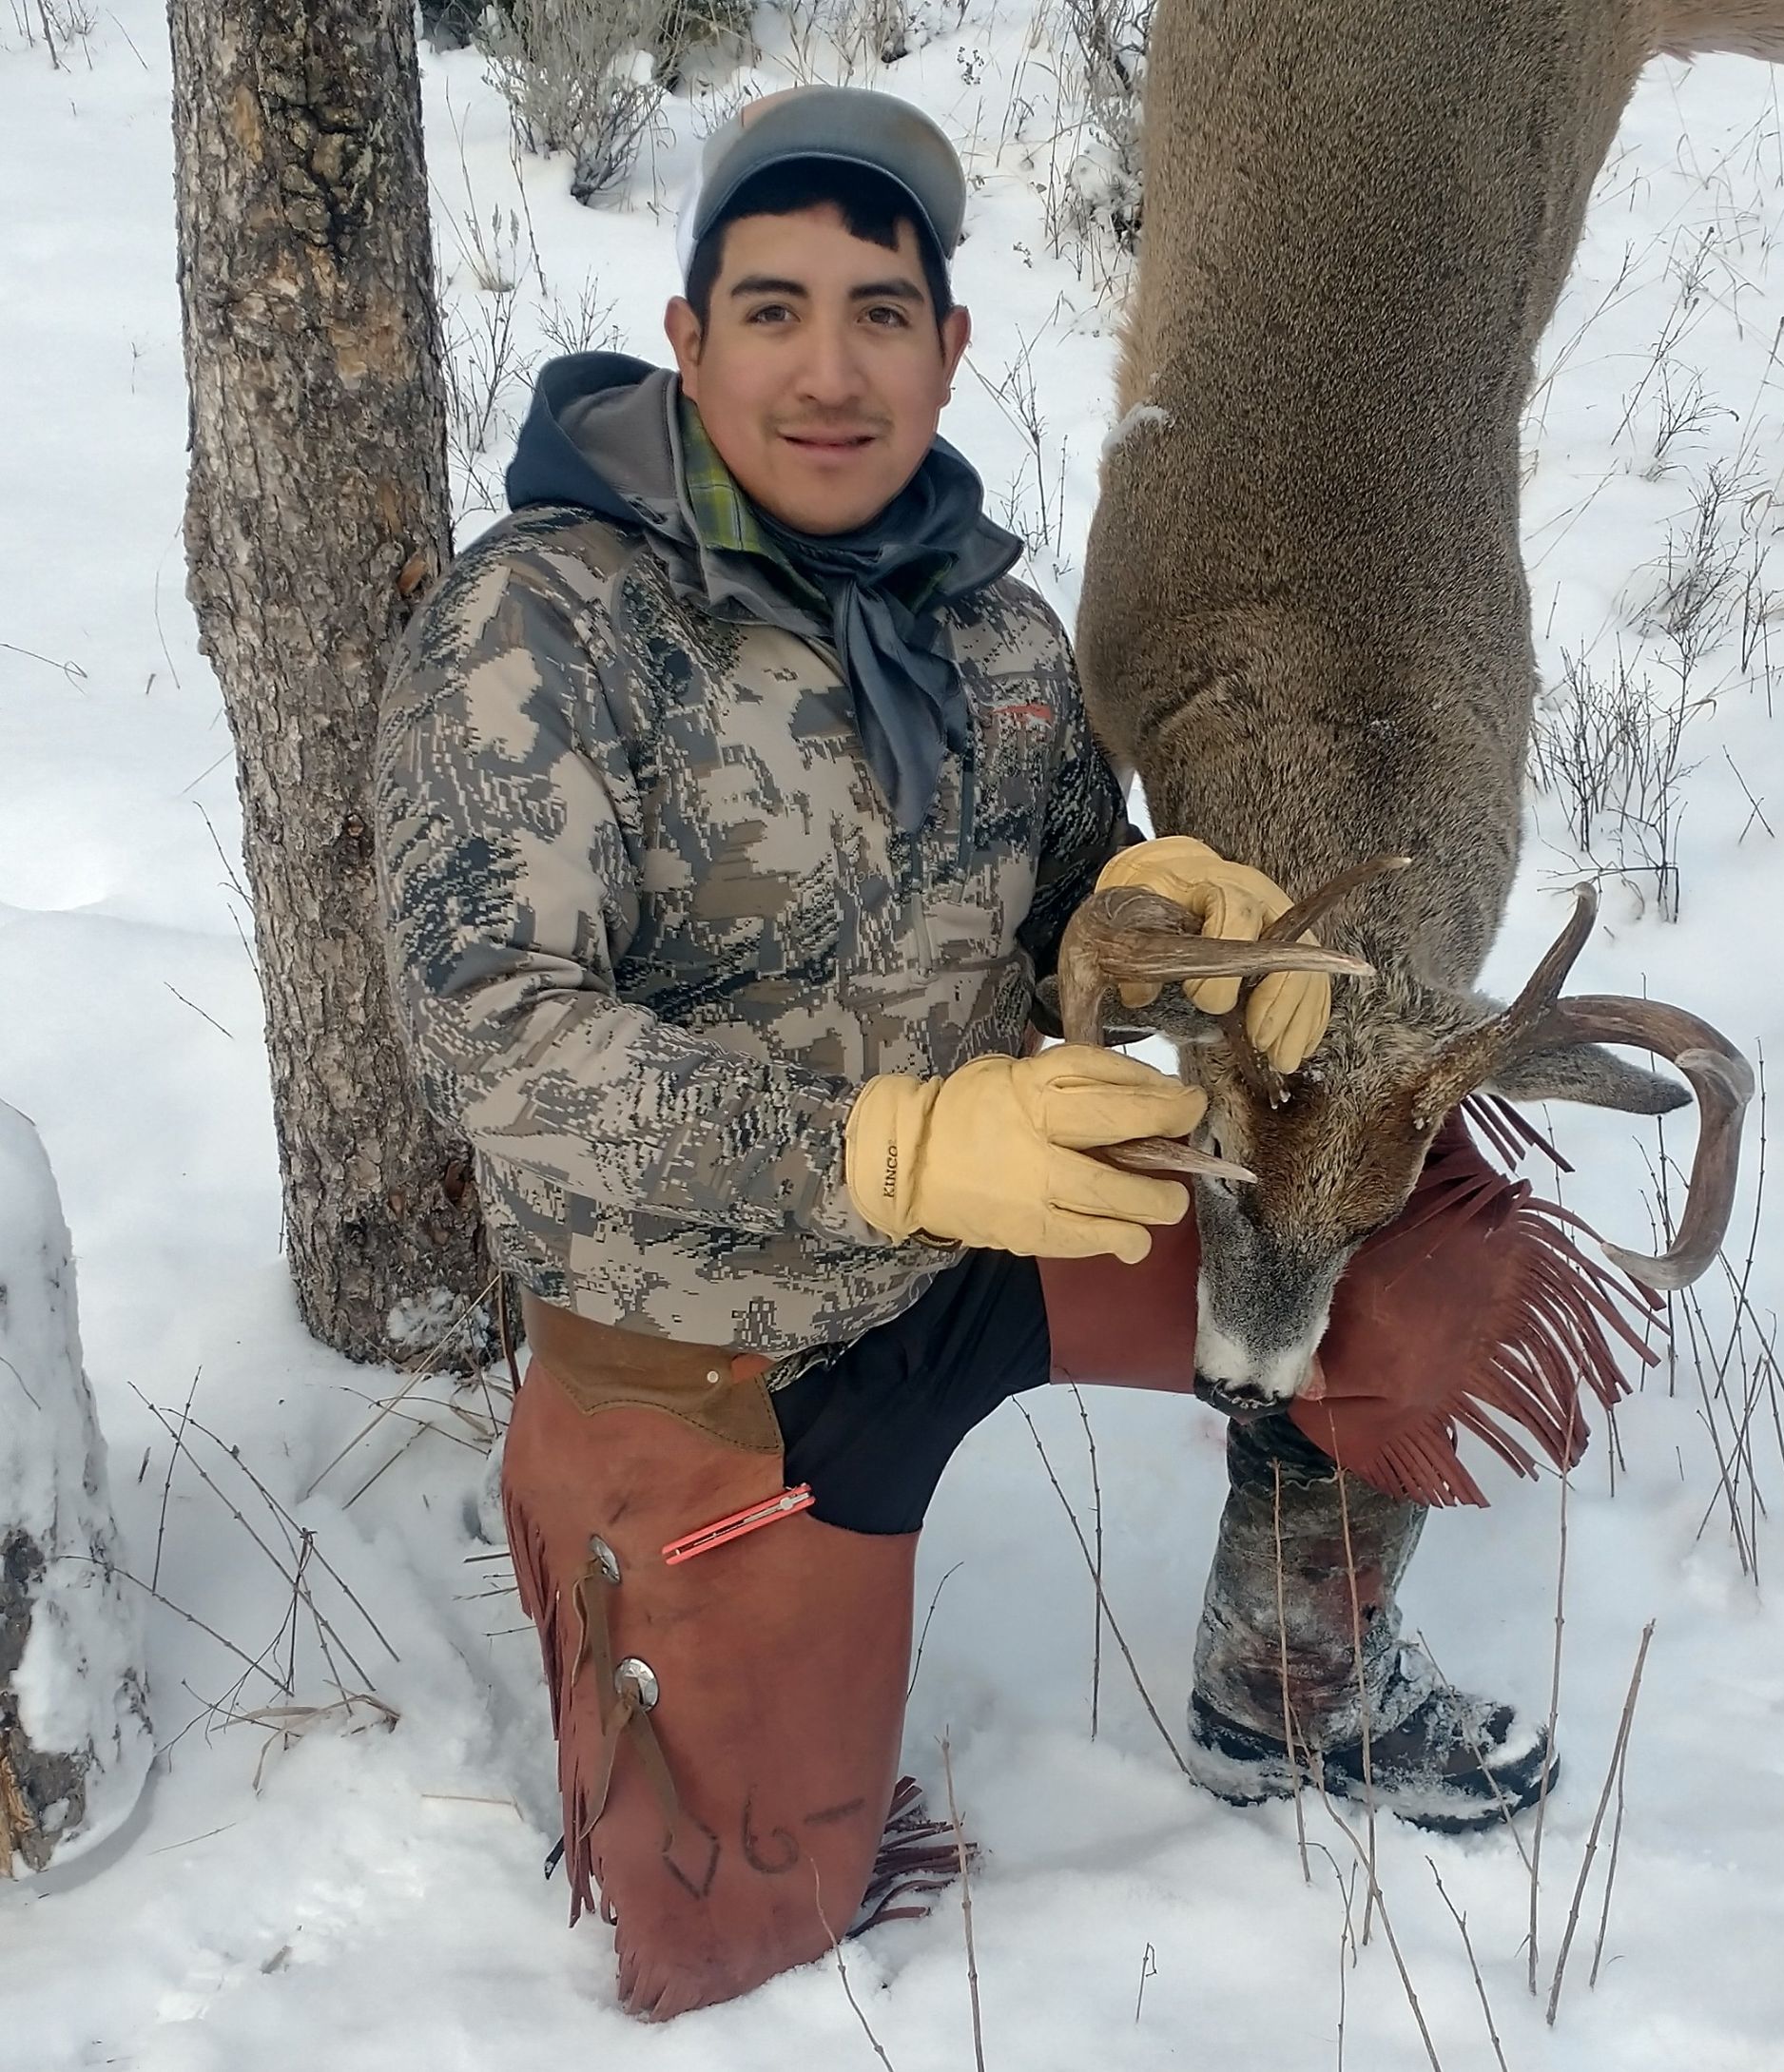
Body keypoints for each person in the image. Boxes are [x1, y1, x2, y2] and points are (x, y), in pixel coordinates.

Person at [372, 86, 1545, 2022]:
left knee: (1420, 1254)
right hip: (726, 1361)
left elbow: (1072, 908)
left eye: (881, 311)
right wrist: (886, 1152)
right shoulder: (547, 621)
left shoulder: (985, 622)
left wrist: (1174, 935)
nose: (829, 369)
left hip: (1003, 1236)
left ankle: (1288, 1676)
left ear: (949, 346)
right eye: (772, 306)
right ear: (686, 335)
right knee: (736, 1923)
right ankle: (706, 1672)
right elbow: (493, 1039)